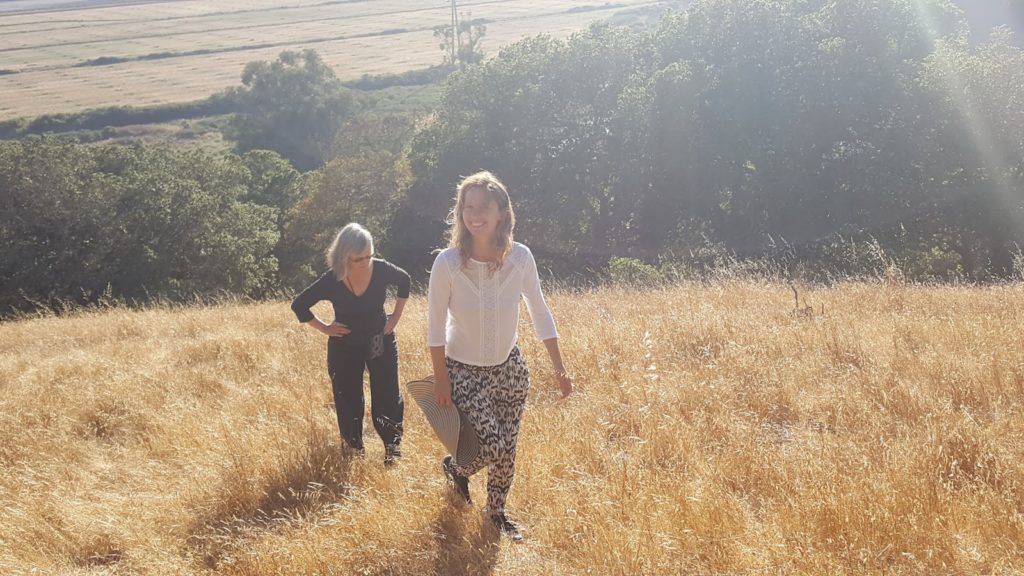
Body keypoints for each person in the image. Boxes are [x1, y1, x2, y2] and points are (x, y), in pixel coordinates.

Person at [427, 171, 573, 540]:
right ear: (460, 212)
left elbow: (539, 310)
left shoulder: (520, 258)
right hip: (463, 370)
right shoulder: (446, 263)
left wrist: (559, 367)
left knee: (508, 450)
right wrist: (441, 379)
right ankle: (457, 468)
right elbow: (433, 326)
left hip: (509, 368)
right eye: (468, 207)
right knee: (491, 445)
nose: (475, 215)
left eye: (484, 208)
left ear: (502, 212)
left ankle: (497, 515)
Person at [292, 223, 410, 466]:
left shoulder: (381, 269)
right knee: (347, 399)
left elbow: (405, 280)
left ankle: (392, 451)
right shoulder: (332, 279)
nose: (366, 262)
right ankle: (355, 453)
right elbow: (299, 305)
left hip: (380, 339)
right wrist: (325, 328)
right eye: (358, 259)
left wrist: (395, 317)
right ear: (344, 256)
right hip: (344, 345)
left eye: (369, 255)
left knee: (387, 396)